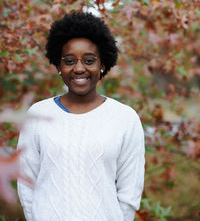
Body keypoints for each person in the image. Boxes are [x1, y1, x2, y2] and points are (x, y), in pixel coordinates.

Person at [17, 12, 145, 221]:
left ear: (102, 64)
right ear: (59, 66)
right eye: (69, 61)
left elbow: (129, 193)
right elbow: (26, 184)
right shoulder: (37, 115)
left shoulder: (125, 119)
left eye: (89, 60)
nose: (79, 68)